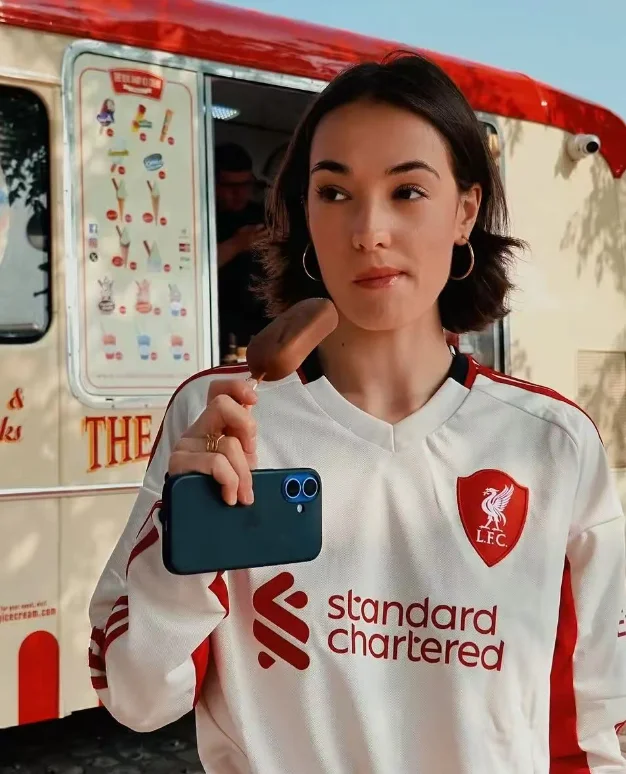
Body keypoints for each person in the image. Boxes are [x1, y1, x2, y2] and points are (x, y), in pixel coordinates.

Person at [89, 53, 626, 773]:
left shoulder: (553, 443)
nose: (369, 230)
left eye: (408, 191)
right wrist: (187, 536)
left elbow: (595, 726)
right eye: (334, 192)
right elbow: (137, 699)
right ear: (306, 214)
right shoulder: (219, 417)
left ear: (465, 211)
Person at [214, 142, 268, 357]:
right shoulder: (203, 218)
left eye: (246, 184)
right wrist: (237, 244)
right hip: (218, 325)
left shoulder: (262, 215)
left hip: (262, 324)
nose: (239, 193)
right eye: (230, 186)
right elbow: (194, 269)